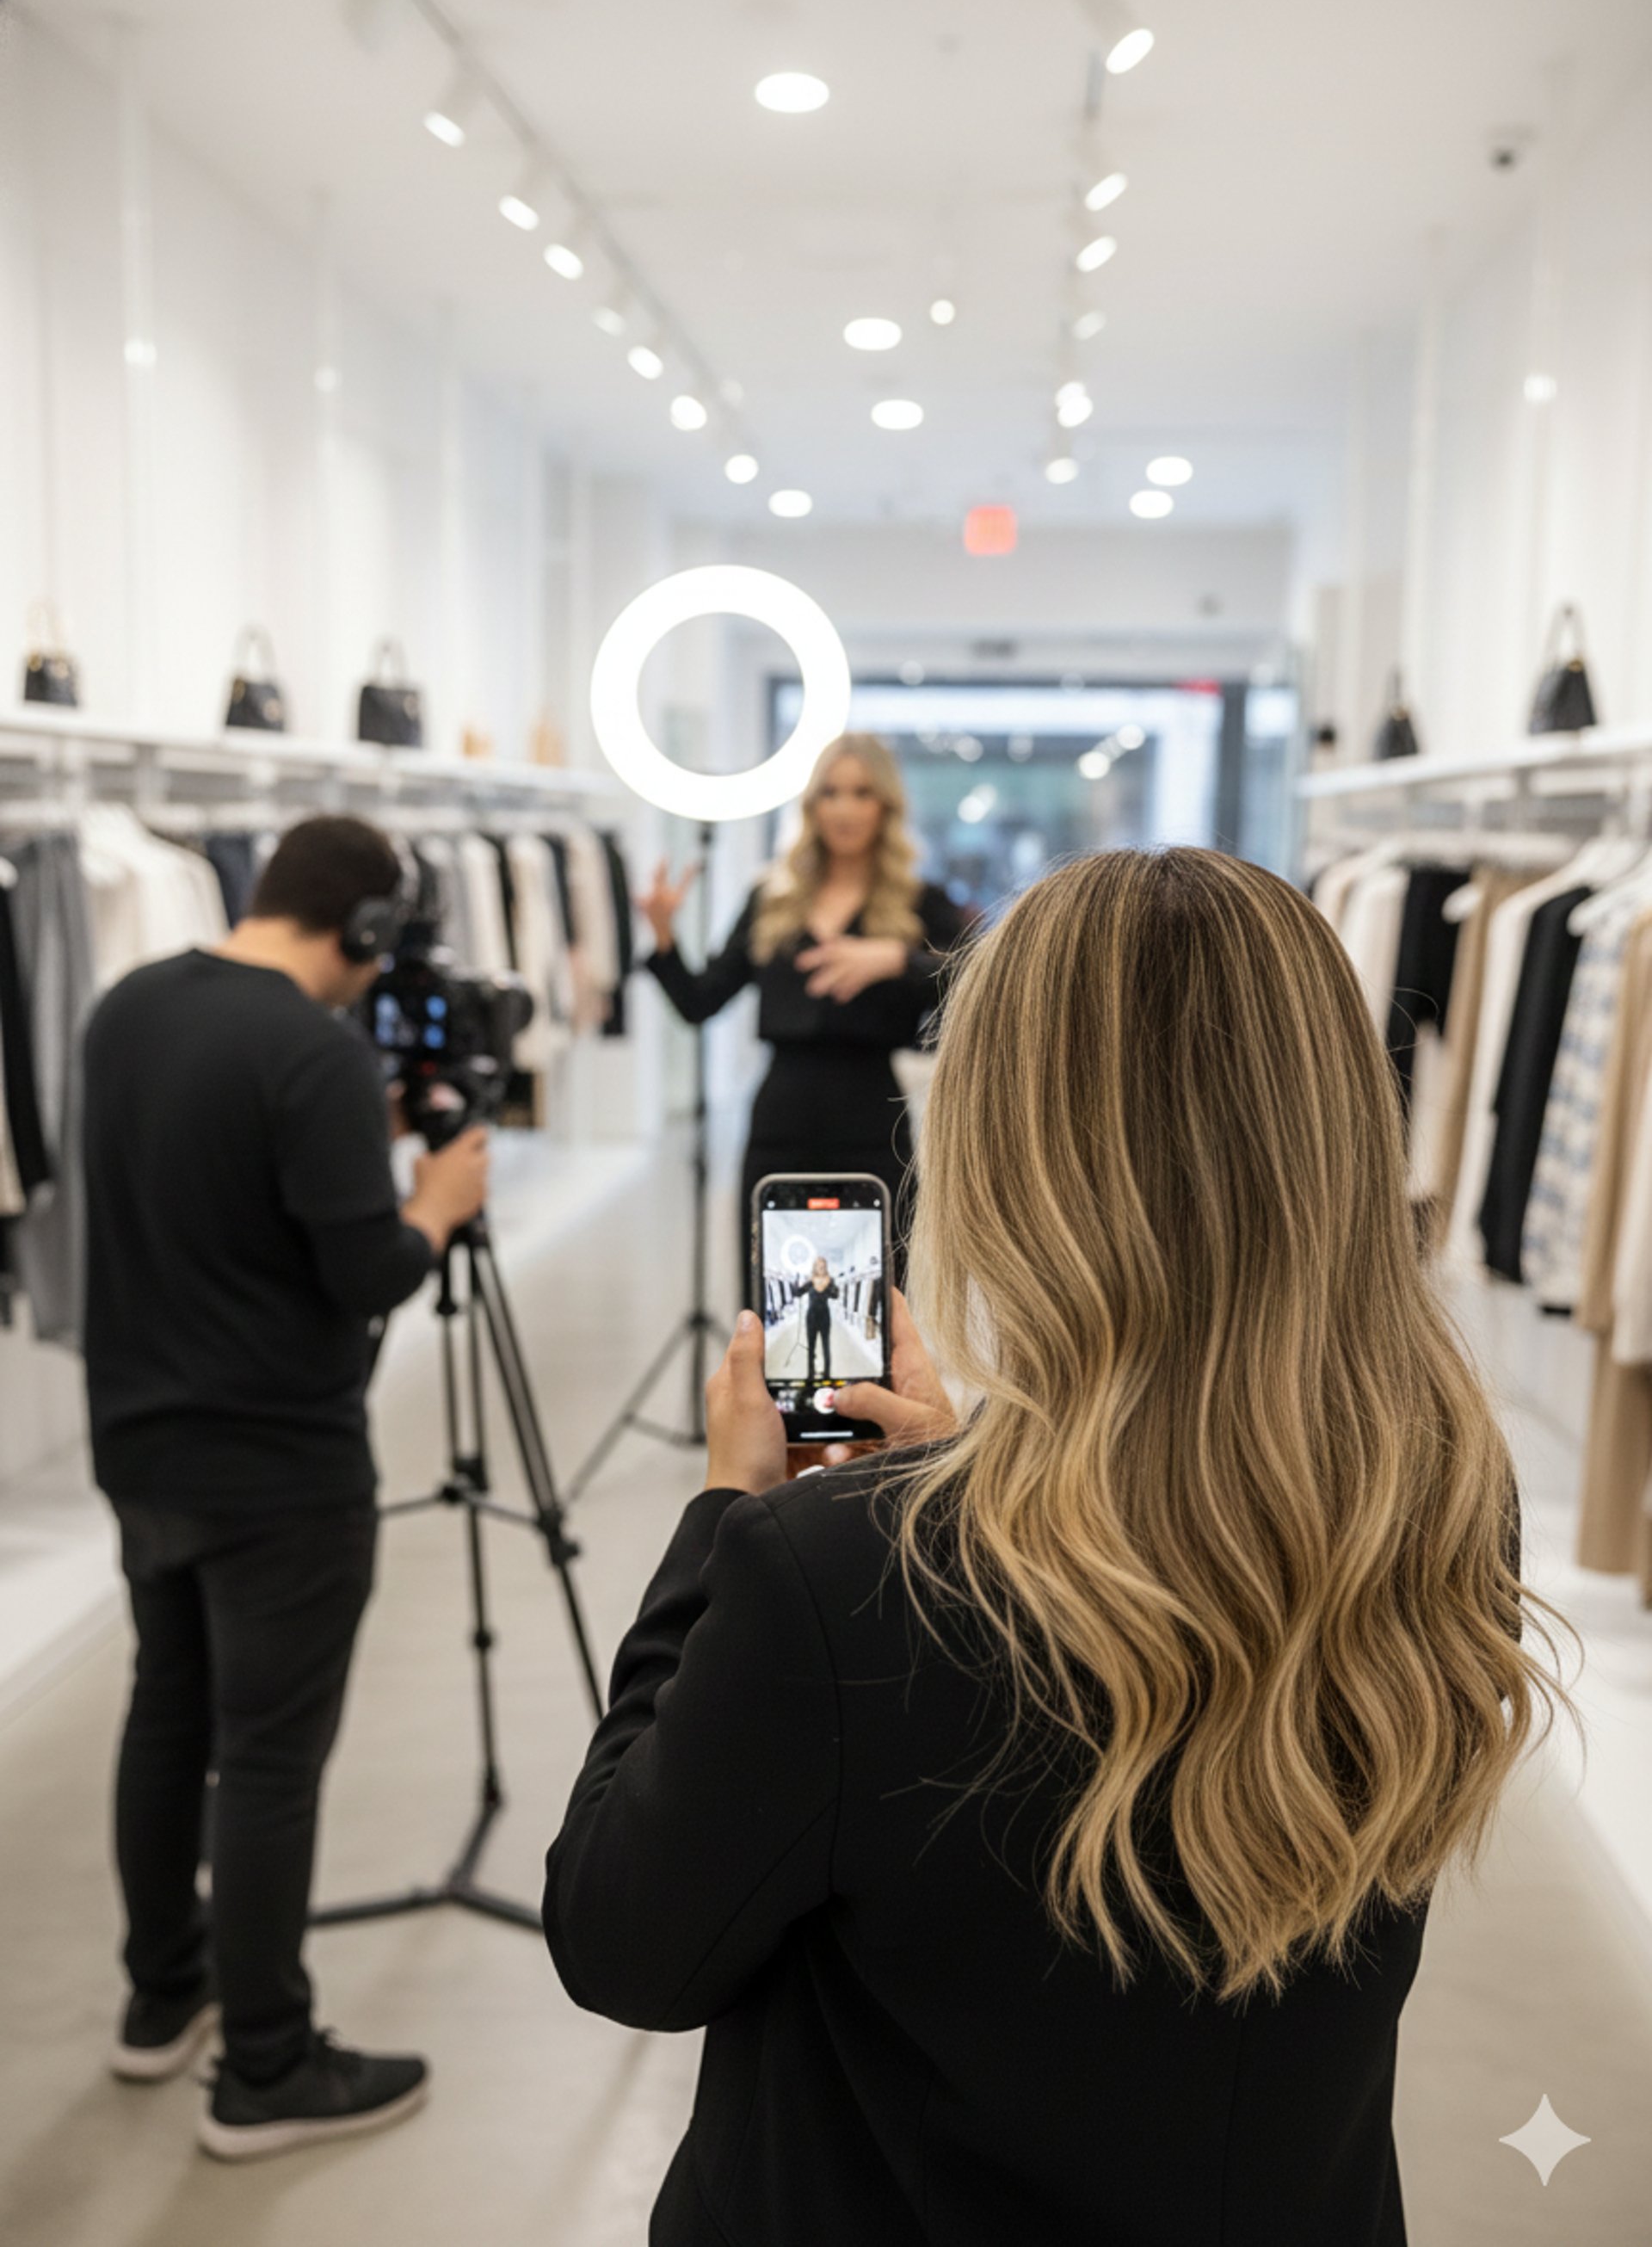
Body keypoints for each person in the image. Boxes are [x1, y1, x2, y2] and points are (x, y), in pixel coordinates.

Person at [544, 848, 1573, 2246]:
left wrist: (730, 1516)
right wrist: (935, 1491)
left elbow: (623, 1941)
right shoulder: (1439, 1500)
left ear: (997, 1132)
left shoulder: (828, 1575)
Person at [83, 814, 490, 2162]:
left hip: (143, 1443)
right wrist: (433, 1200)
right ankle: (264, 2067)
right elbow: (364, 1270)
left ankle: (165, 1993)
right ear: (364, 927)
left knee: (167, 1717)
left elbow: (201, 1192)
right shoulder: (313, 1050)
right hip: (282, 1469)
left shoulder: (126, 1009)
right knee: (267, 1761)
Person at [637, 732, 968, 1292]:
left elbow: (972, 980)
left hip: (872, 1117)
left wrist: (896, 958)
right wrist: (665, 937)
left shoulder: (918, 902)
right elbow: (700, 1000)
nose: (844, 808)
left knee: (874, 1297)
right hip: (781, 1120)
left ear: (885, 805)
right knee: (776, 1294)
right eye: (830, 793)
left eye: (861, 792)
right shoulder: (773, 896)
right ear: (812, 805)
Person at [792, 1256, 838, 1380]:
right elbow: (797, 1293)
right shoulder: (810, 1281)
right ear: (815, 1267)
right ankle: (810, 1374)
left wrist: (830, 1285)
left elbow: (835, 1295)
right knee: (811, 1347)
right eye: (818, 1265)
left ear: (826, 1266)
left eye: (823, 1265)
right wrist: (795, 1280)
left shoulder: (830, 1280)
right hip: (811, 1317)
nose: (821, 1267)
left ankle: (827, 1374)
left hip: (825, 1317)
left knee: (826, 1346)